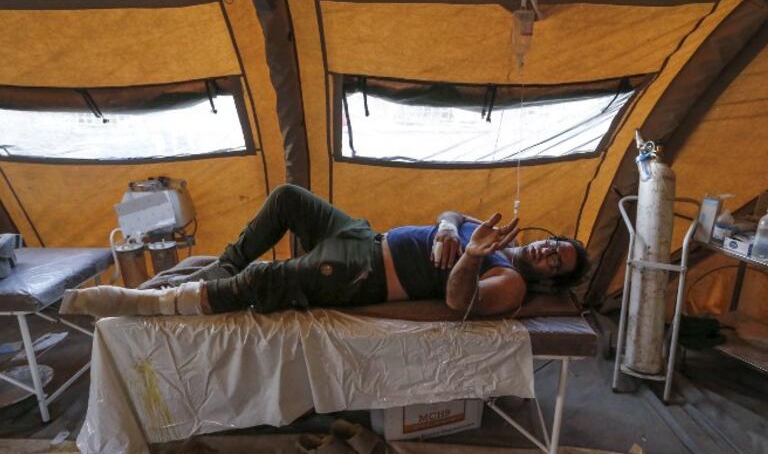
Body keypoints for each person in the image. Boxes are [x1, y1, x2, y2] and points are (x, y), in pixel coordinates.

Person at [60, 185, 589, 319]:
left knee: (269, 280)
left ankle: (148, 304)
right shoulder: (498, 235)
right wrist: (451, 225)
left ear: (548, 280)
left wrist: (471, 257)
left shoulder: (511, 280)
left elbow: (458, 304)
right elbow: (448, 215)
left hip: (364, 274)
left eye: (555, 260)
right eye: (553, 243)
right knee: (289, 197)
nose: (546, 250)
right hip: (364, 236)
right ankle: (223, 264)